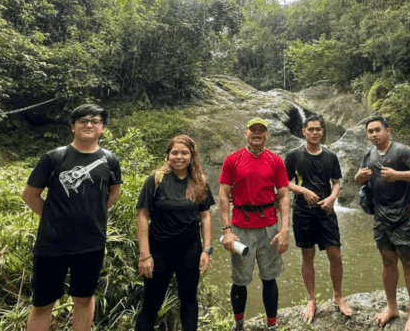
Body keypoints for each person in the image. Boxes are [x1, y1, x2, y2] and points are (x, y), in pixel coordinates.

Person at [22, 104, 123, 331]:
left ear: (103, 128)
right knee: (43, 303)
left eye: (95, 121)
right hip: (52, 243)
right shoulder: (53, 157)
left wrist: (92, 213)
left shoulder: (110, 159)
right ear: (72, 127)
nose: (89, 124)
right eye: (82, 120)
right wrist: (55, 216)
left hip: (91, 242)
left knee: (84, 298)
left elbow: (114, 192)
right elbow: (30, 195)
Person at [135, 135, 214, 331]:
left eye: (184, 153)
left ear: (192, 156)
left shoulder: (200, 182)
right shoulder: (156, 180)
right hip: (159, 250)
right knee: (151, 303)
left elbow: (205, 217)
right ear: (168, 155)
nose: (179, 157)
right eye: (175, 153)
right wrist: (144, 255)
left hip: (190, 250)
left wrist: (206, 250)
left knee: (189, 300)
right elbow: (142, 216)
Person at [219, 117, 290, 331]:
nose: (257, 133)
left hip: (270, 228)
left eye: (261, 130)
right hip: (241, 227)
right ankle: (239, 323)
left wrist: (285, 229)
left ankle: (271, 325)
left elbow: (284, 195)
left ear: (267, 134)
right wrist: (227, 230)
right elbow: (223, 195)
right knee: (239, 280)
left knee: (270, 278)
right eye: (253, 129)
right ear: (246, 133)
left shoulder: (276, 161)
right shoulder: (232, 160)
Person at [355, 116, 410, 331]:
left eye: (378, 130)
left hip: (404, 215)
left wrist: (398, 175)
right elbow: (358, 180)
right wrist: (359, 177)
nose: (374, 134)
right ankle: (391, 307)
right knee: (387, 261)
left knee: (408, 261)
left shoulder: (402, 151)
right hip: (380, 216)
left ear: (387, 131)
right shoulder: (369, 155)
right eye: (370, 131)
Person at [284, 115, 352, 322]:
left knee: (335, 254)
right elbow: (284, 181)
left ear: (322, 131)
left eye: (318, 129)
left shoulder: (330, 156)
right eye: (311, 129)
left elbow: (336, 182)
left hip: (326, 211)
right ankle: (311, 299)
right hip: (303, 211)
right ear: (303, 131)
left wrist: (332, 198)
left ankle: (338, 295)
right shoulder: (294, 155)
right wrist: (303, 190)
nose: (314, 132)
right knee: (307, 256)